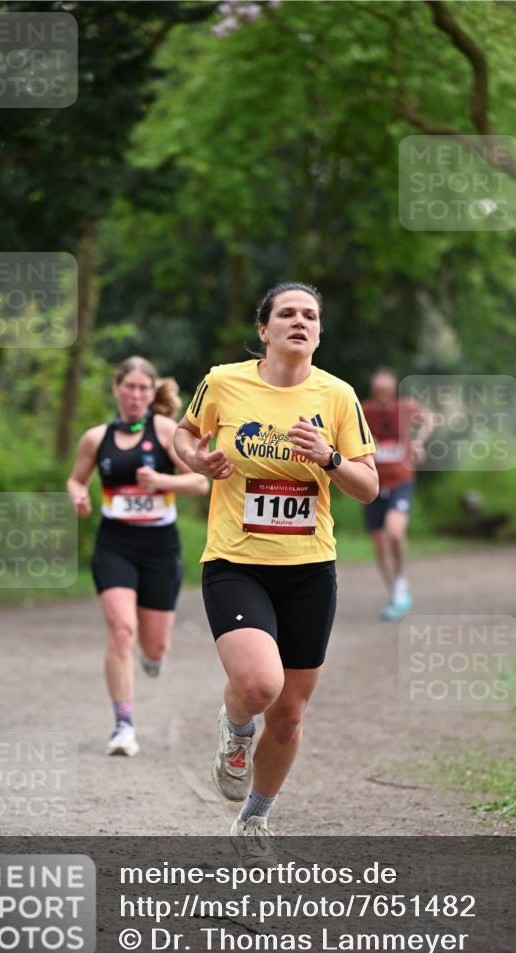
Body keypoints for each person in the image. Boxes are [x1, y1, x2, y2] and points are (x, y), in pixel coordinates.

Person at [174, 282, 378, 865]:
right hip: (236, 561)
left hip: (310, 569)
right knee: (261, 687)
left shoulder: (338, 396)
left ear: (318, 331)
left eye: (310, 314)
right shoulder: (223, 381)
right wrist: (198, 459)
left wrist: (329, 457)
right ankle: (236, 726)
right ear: (264, 329)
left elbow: (369, 487)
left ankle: (255, 815)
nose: (300, 321)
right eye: (286, 313)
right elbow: (184, 435)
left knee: (289, 715)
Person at [67, 356, 208, 756]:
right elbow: (76, 479)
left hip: (160, 548)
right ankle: (123, 726)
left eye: (143, 388)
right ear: (116, 389)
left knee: (155, 646)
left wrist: (160, 481)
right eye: (128, 387)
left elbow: (200, 483)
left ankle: (153, 657)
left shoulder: (165, 431)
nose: (135, 395)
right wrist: (76, 494)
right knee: (121, 631)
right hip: (115, 545)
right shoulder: (96, 438)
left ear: (151, 392)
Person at [361, 370, 433, 621]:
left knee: (395, 531)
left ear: (393, 391)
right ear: (373, 391)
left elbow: (428, 420)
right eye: (378, 391)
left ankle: (401, 581)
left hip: (401, 480)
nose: (382, 396)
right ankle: (396, 592)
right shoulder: (364, 410)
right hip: (372, 484)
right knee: (380, 546)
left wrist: (418, 442)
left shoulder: (405, 407)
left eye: (387, 391)